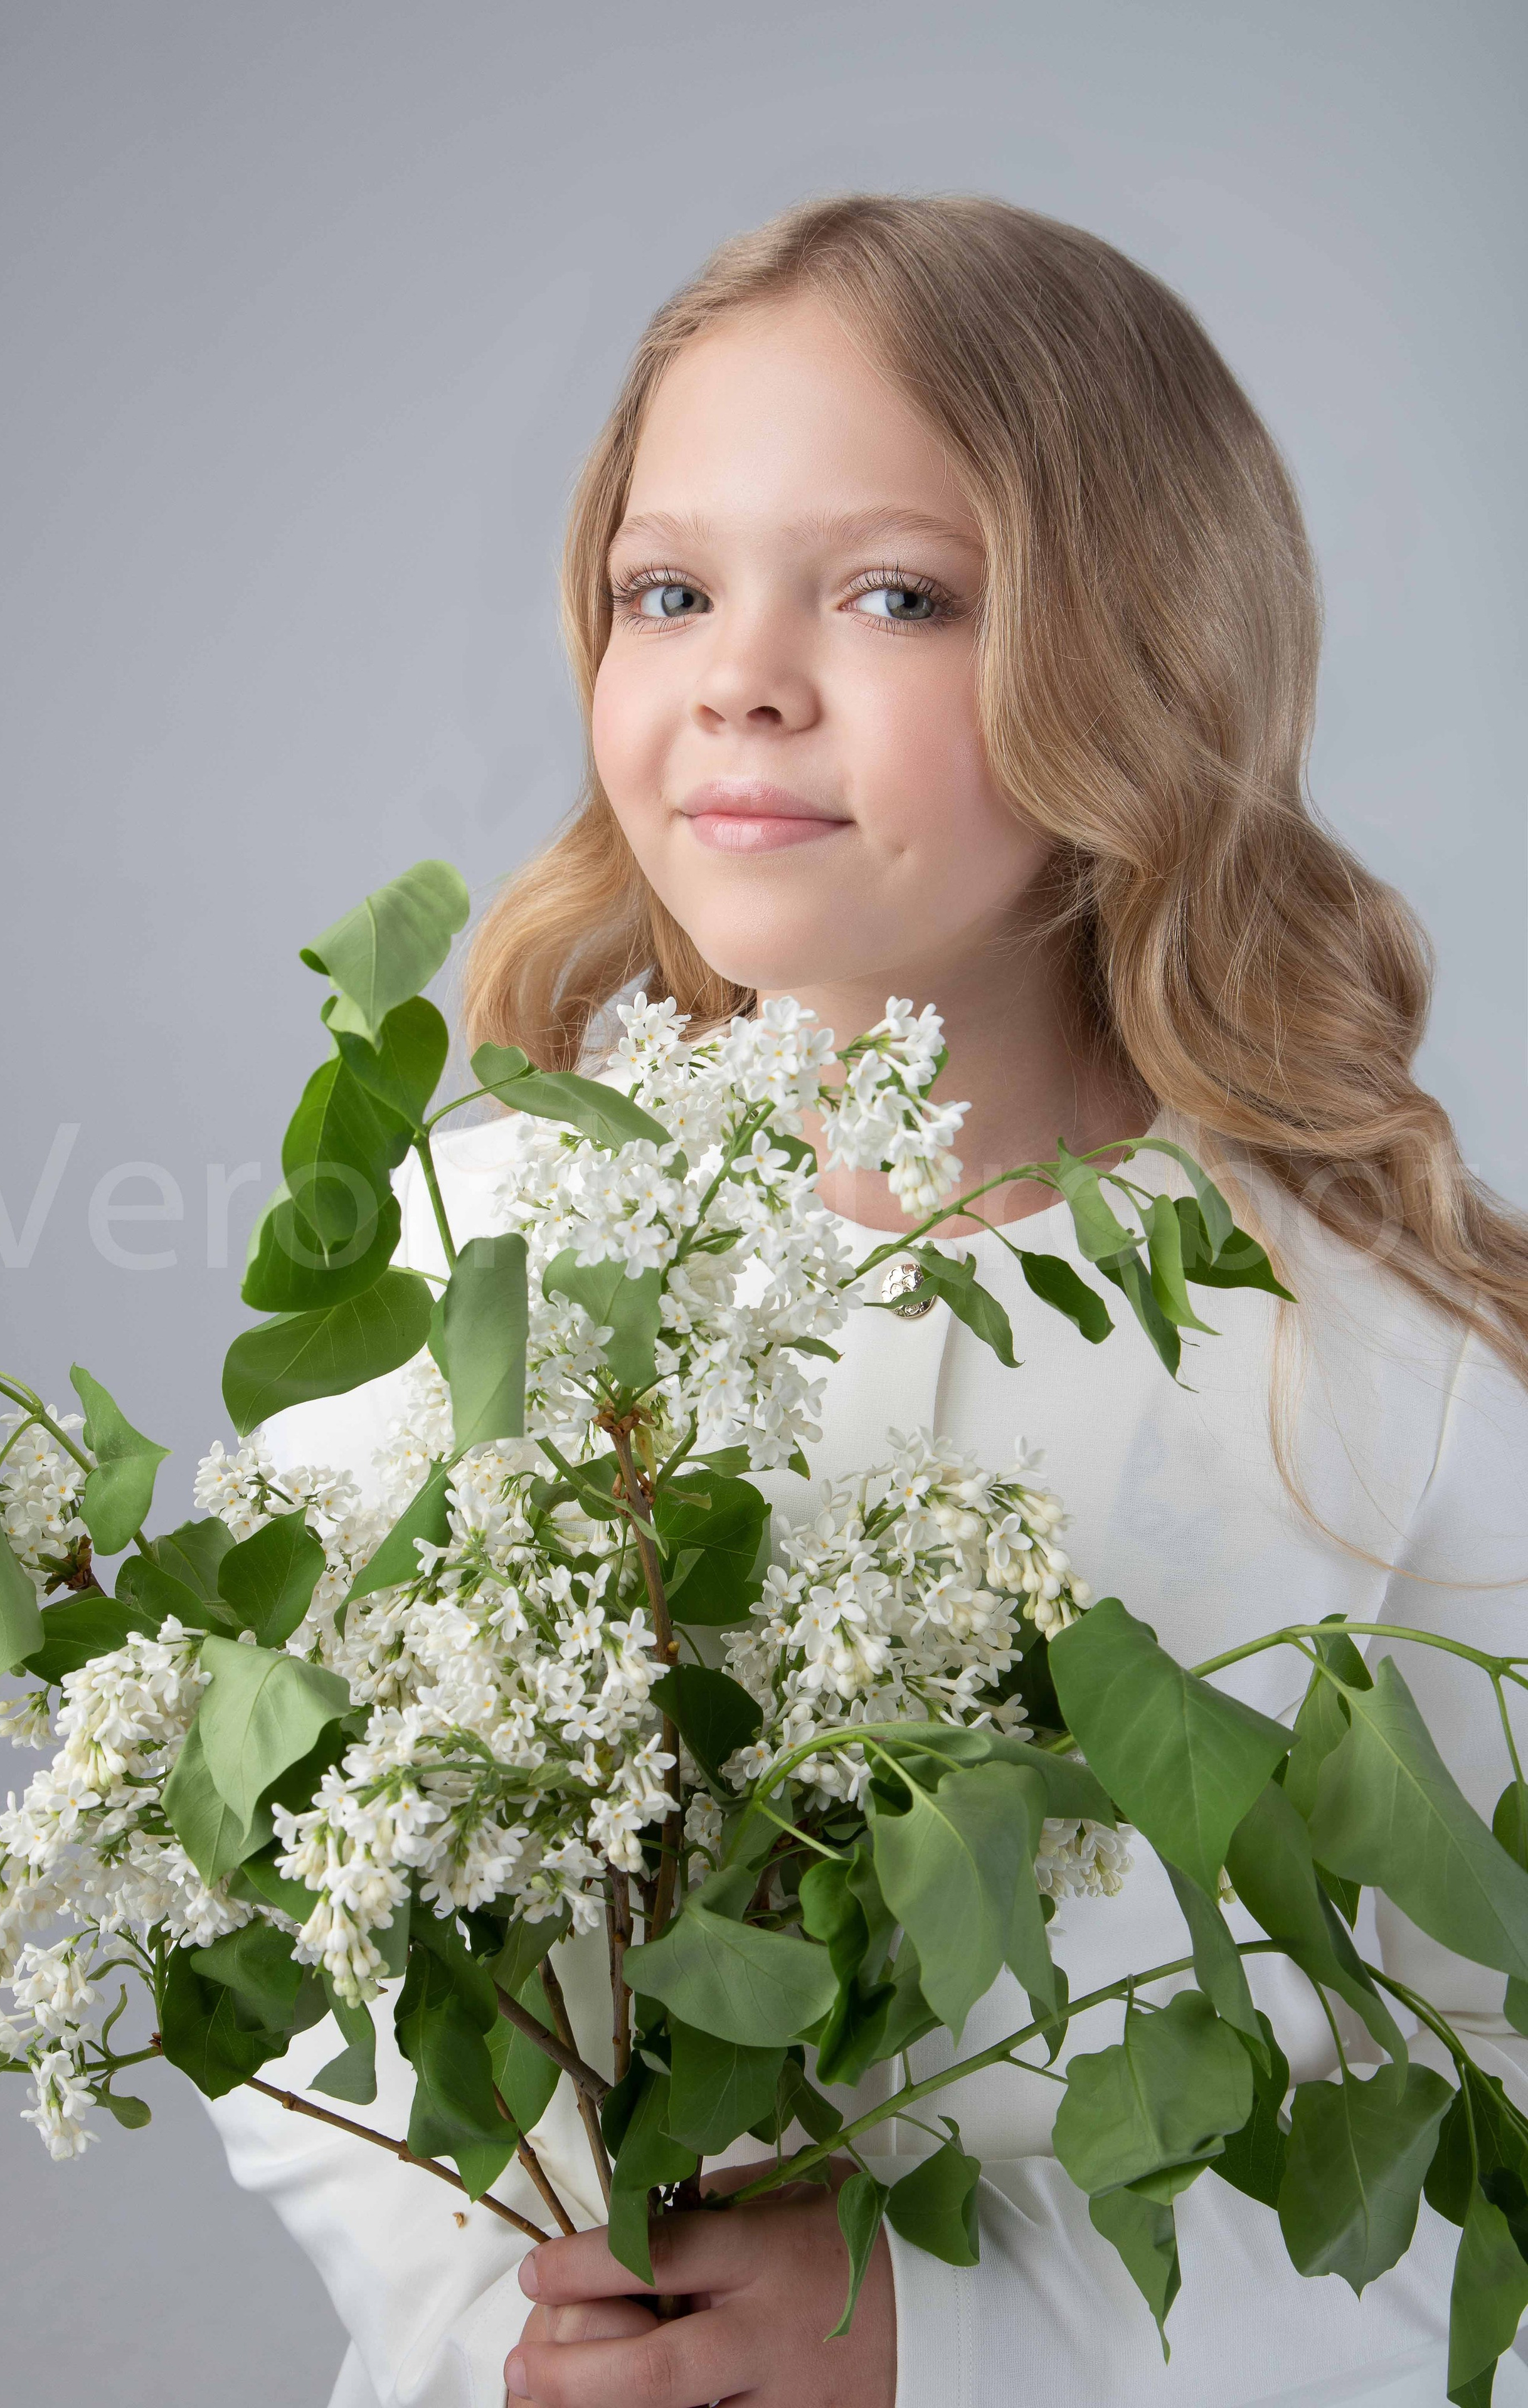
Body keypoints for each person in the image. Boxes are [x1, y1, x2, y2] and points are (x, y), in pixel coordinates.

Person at [209, 194, 1528, 2407]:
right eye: (670, 589)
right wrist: (501, 2328)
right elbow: (310, 1933)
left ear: (1142, 657)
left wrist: (964, 2337)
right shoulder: (480, 1243)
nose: (740, 672)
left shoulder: (1379, 1376)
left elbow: (1492, 2139)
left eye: (897, 594)